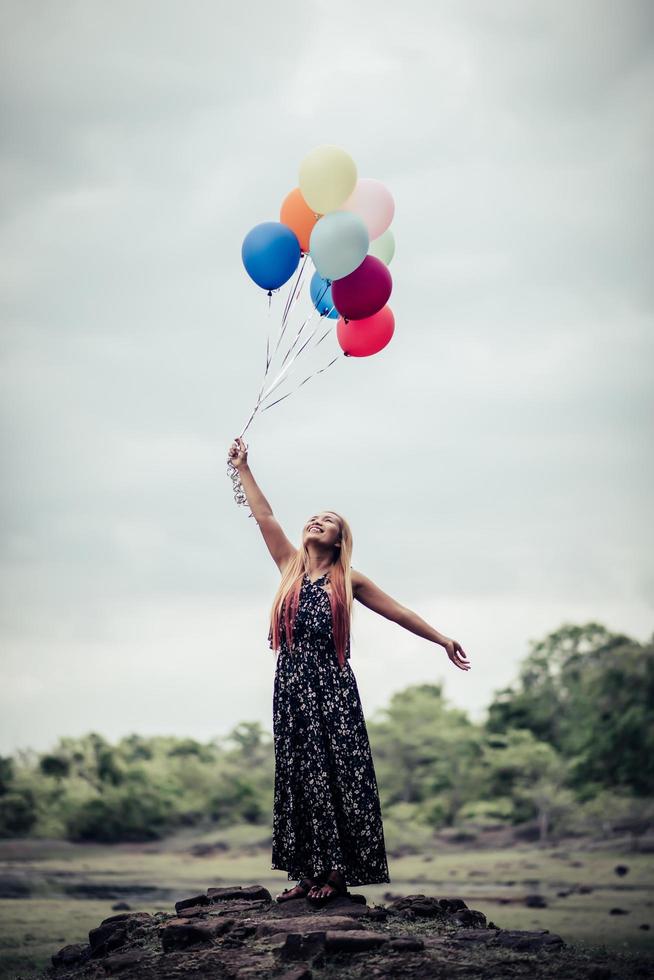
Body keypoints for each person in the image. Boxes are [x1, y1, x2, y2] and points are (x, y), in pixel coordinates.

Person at [227, 436, 470, 906]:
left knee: (337, 775)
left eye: (330, 520)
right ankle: (304, 870)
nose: (317, 521)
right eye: (314, 517)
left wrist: (441, 638)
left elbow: (397, 612)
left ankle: (335, 873)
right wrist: (242, 468)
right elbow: (265, 517)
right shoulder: (288, 568)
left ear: (340, 539)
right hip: (291, 690)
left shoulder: (349, 579)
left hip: (333, 690)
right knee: (298, 775)